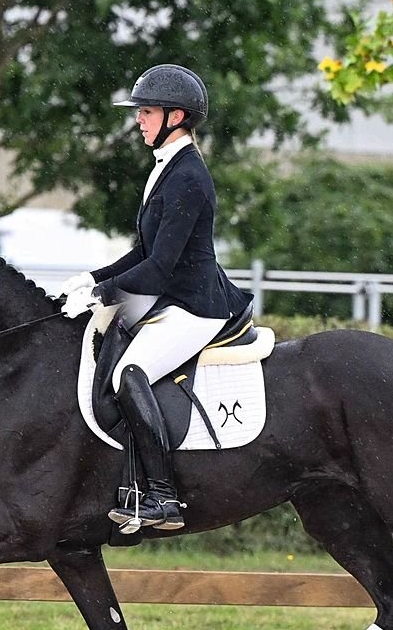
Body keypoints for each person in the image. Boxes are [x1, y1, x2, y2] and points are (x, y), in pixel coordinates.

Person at [53, 64, 253, 532]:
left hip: (197, 306)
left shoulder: (187, 177)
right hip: (173, 299)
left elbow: (160, 269)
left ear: (176, 116)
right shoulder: (167, 167)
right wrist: (90, 279)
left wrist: (103, 295)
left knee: (129, 373)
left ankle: (161, 497)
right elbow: (143, 252)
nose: (138, 121)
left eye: (146, 112)